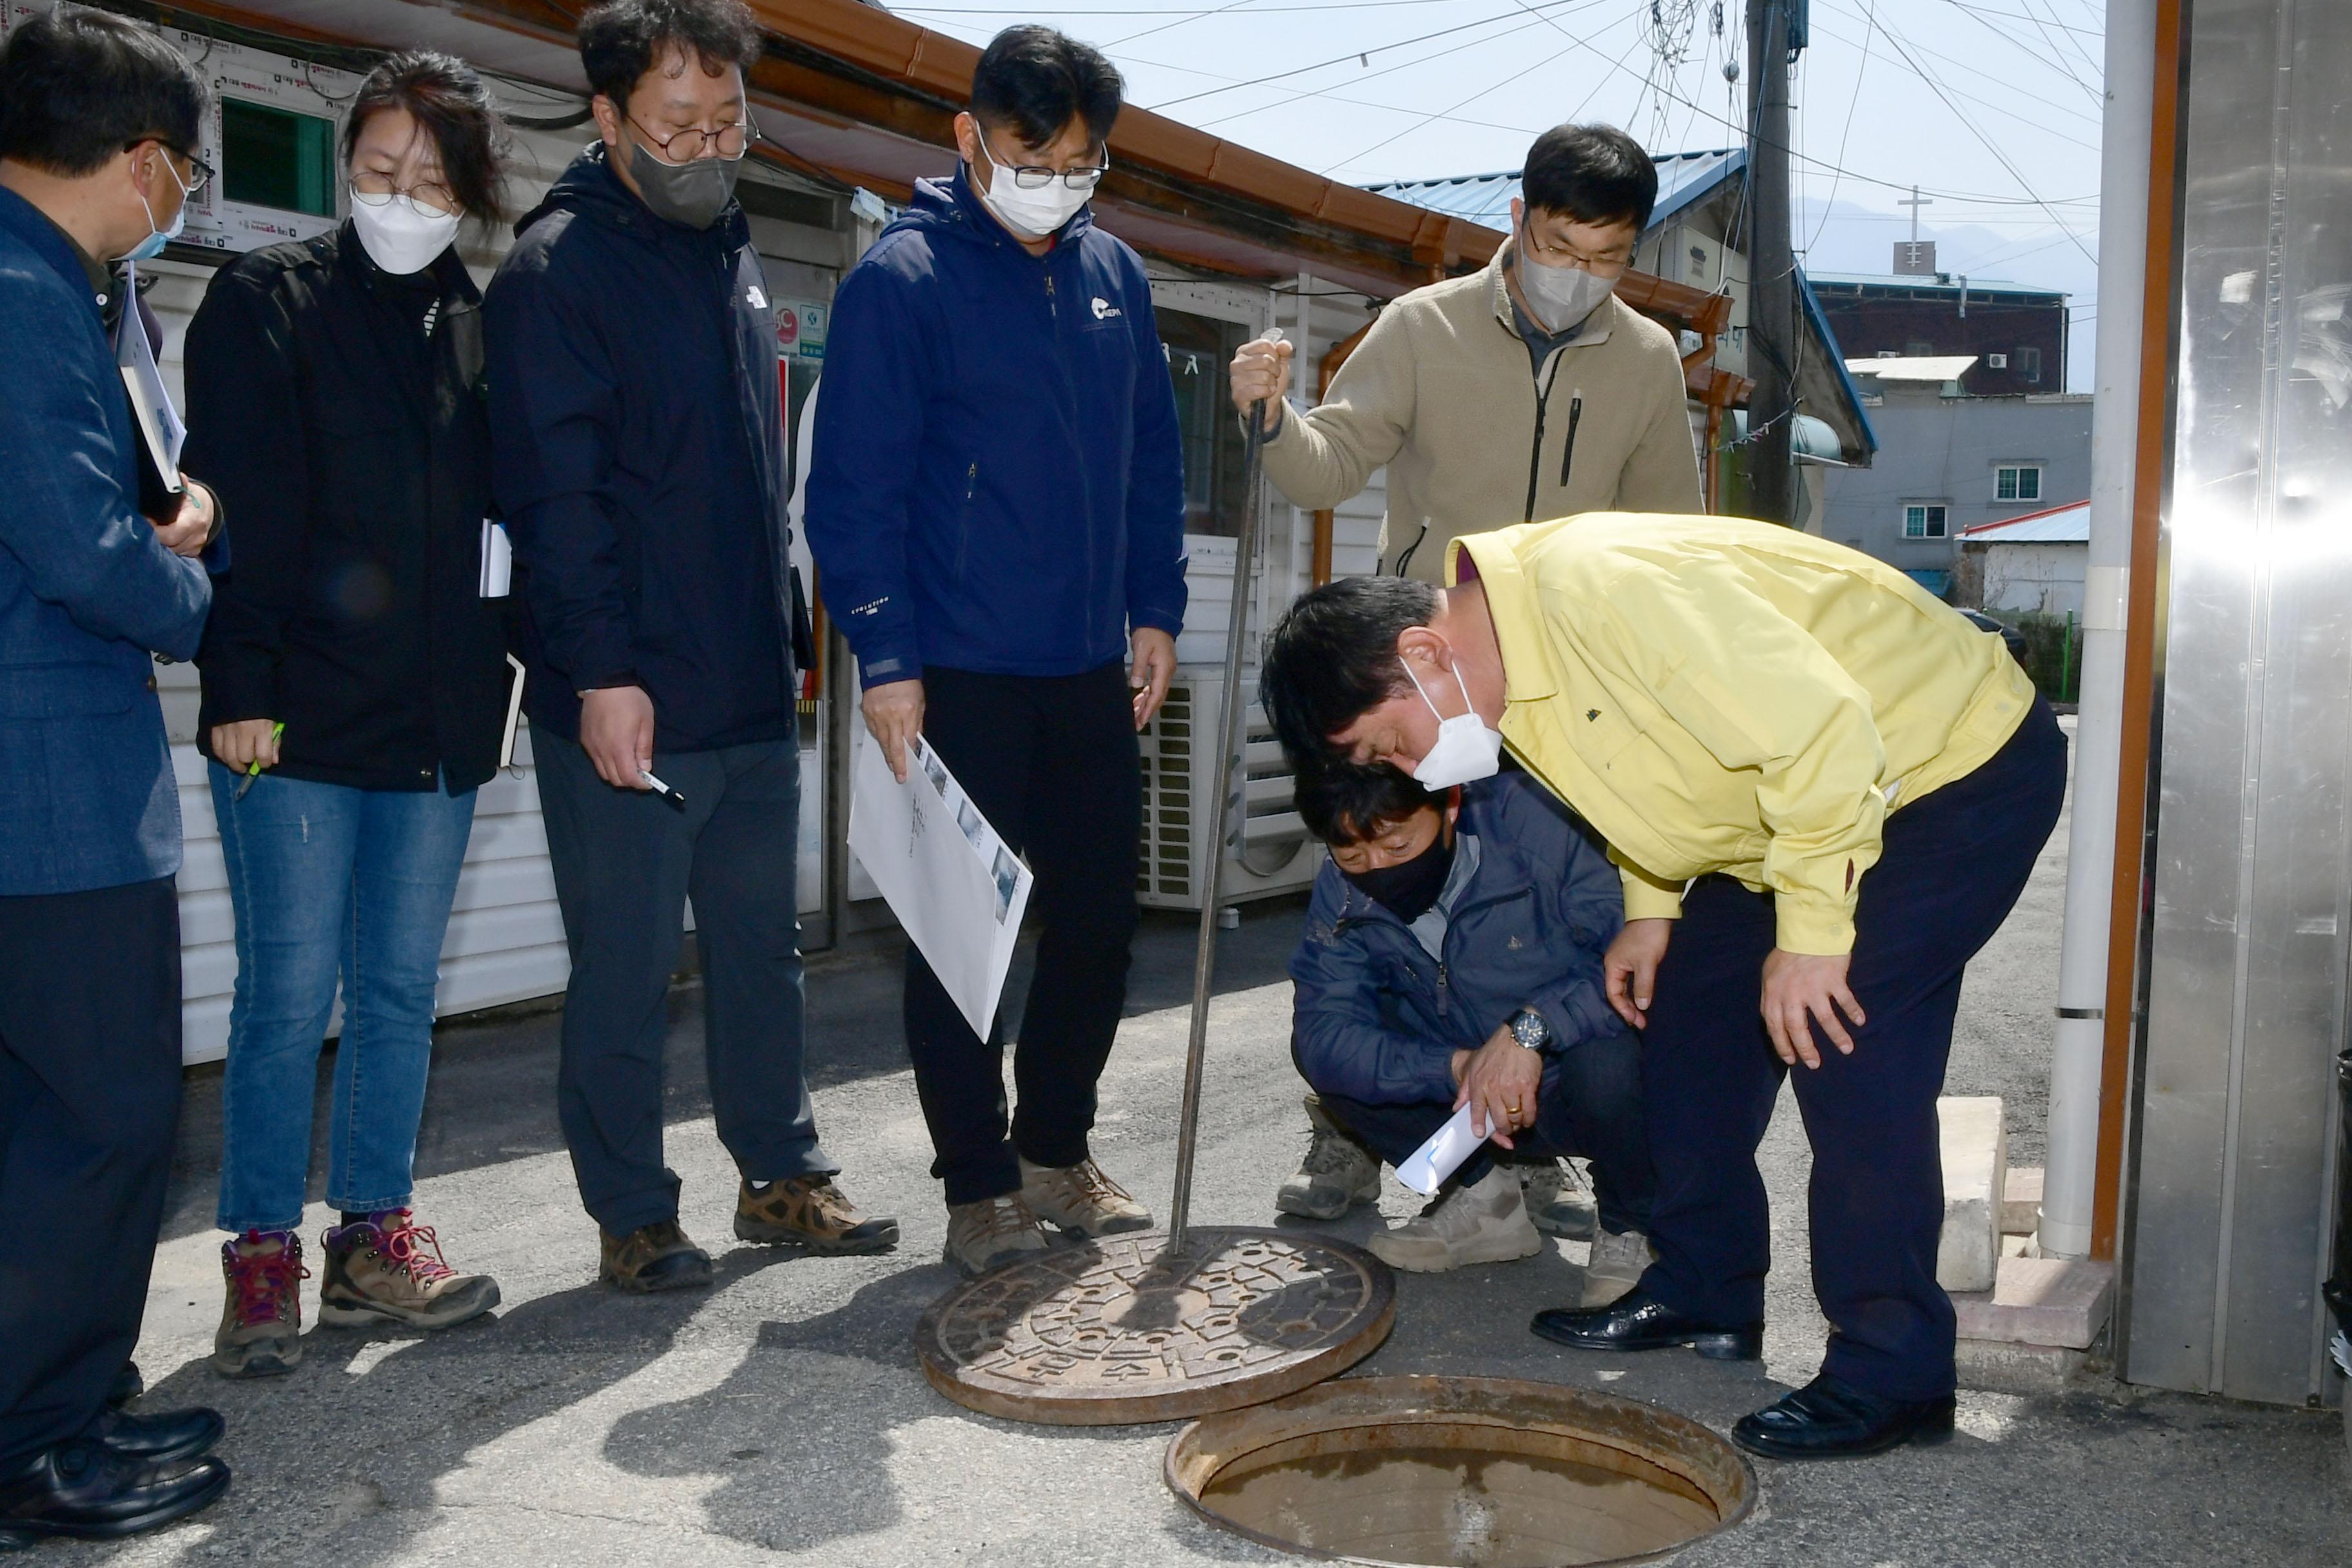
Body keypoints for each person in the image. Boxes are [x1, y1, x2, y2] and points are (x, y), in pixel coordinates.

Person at [1257, 514, 2064, 1462]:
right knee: (1691, 1033)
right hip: (1784, 819)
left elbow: (1820, 734)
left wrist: (1811, 936)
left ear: (1425, 652)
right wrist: (1651, 905)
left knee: (1845, 1049)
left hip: (1943, 771)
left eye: (1388, 744)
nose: (1402, 770)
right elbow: (1644, 780)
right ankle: (1706, 1290)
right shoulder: (1504, 670)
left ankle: (1894, 1372)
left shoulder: (1604, 594)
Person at [486, 0, 893, 1292]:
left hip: (745, 684)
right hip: (627, 690)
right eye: (677, 125)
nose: (707, 147)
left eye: (727, 122)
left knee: (761, 951)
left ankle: (780, 1173)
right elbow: (558, 500)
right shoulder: (556, 271)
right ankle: (632, 1208)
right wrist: (601, 673)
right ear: (606, 118)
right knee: (625, 961)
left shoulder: (732, 246)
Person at [806, 26, 1185, 1275]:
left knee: (1098, 925)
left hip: (1087, 665)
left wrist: (1157, 610)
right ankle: (978, 1184)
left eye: (1084, 162)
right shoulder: (903, 281)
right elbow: (852, 493)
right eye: (1035, 154)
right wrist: (885, 654)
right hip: (957, 667)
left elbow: (1151, 469)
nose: (1058, 181)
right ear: (971, 137)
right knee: (959, 937)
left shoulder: (1116, 277)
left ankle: (1053, 1147)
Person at [182, 52, 516, 1380]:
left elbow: (499, 527)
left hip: (435, 720)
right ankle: (261, 1252)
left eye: (432, 180)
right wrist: (238, 688)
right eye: (381, 172)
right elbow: (240, 513)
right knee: (284, 991)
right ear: (346, 170)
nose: (403, 197)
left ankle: (375, 1236)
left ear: (469, 196)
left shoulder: (477, 322)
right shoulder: (267, 297)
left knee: (395, 991)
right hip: (296, 719)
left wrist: (498, 683)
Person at [0, 5, 233, 1545]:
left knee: (53, 1119)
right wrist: (192, 576)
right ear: (143, 160)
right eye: (185, 175)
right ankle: (39, 1442)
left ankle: (71, 1395)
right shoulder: (27, 294)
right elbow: (78, 547)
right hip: (50, 792)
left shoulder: (55, 287)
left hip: (43, 782)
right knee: (100, 1117)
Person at [1227, 124, 1700, 580]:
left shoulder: (1648, 358)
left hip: (1567, 637)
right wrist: (1271, 423)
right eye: (1559, 248)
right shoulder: (1422, 325)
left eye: (1606, 258)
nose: (1578, 274)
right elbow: (1325, 473)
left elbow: (1668, 536)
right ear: (1519, 216)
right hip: (1433, 623)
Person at [1284, 763, 1654, 1300]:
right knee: (1326, 1055)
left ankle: (1631, 1225)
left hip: (1566, 1072)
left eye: (1398, 846)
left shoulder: (1543, 831)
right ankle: (1485, 1197)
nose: (1377, 869)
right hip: (1466, 1096)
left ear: (1449, 806)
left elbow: (1631, 962)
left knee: (1614, 1057)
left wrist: (1529, 1030)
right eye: (1352, 856)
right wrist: (1455, 1066)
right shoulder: (1341, 893)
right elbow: (1324, 1029)